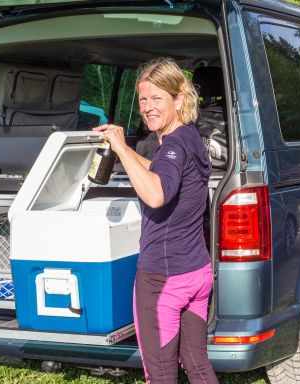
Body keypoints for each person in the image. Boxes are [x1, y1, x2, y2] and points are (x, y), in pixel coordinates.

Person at [93, 58, 217, 384]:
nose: (148, 107)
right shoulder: (189, 136)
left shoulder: (173, 144)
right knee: (196, 363)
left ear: (179, 99)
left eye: (157, 99)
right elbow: (162, 170)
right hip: (197, 273)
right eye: (143, 99)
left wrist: (120, 148)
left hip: (164, 279)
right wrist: (128, 153)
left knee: (160, 374)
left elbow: (157, 194)